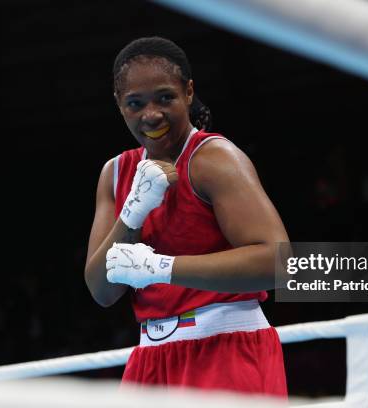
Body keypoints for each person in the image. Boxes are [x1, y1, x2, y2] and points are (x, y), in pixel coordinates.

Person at [84, 36, 289, 397]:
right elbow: (101, 289)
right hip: (151, 357)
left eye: (165, 97)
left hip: (227, 347)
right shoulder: (114, 174)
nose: (152, 115)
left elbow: (277, 262)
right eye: (135, 103)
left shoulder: (213, 159)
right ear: (119, 104)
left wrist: (160, 267)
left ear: (189, 92)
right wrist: (132, 213)